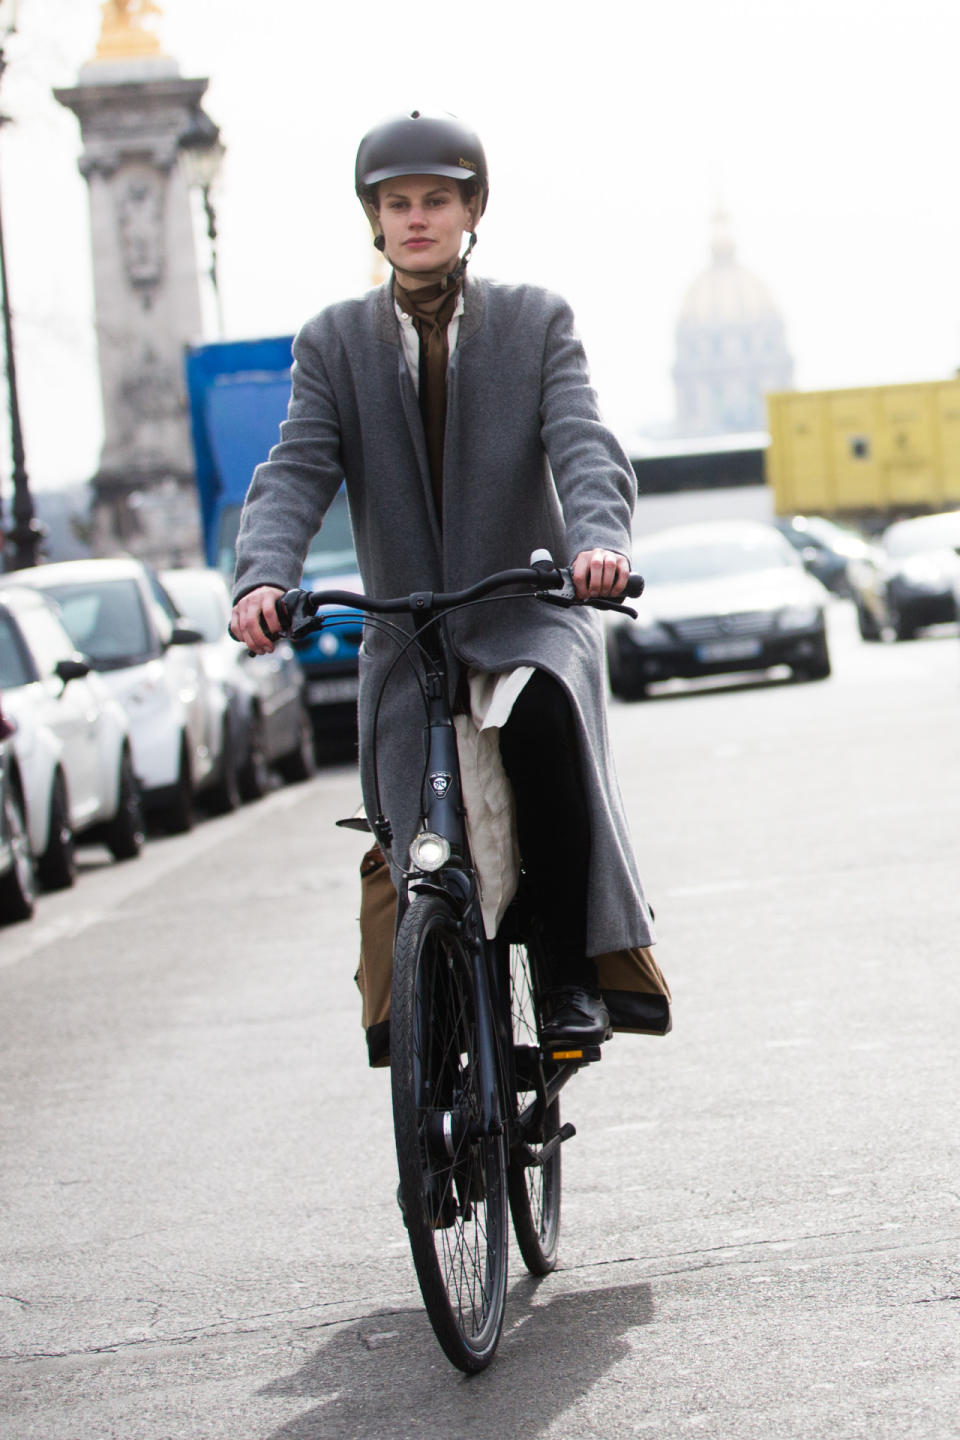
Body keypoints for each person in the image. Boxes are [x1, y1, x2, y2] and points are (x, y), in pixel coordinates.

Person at [231, 110, 669, 1048]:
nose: (417, 218)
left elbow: (584, 446)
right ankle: (428, 1005)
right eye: (398, 204)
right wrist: (262, 579)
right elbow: (296, 470)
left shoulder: (534, 321)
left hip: (524, 608)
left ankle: (563, 975)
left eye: (438, 200)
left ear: (472, 211)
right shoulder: (333, 343)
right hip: (406, 631)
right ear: (375, 219)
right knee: (410, 824)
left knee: (544, 713)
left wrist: (599, 545)